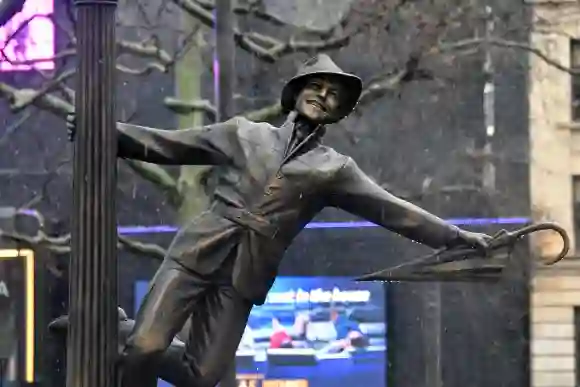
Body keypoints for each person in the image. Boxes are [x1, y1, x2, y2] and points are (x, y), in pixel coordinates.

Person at [63, 54, 491, 387]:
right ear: (297, 92)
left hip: (244, 276)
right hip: (196, 253)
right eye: (316, 86)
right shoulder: (244, 134)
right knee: (145, 347)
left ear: (338, 111)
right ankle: (120, 332)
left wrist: (455, 236)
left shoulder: (334, 170)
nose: (323, 96)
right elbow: (169, 145)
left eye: (333, 95)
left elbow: (394, 210)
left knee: (200, 376)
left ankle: (117, 331)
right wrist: (103, 129)